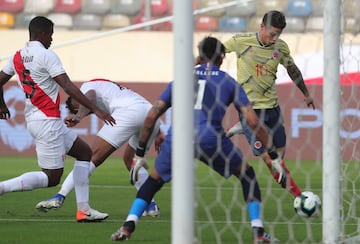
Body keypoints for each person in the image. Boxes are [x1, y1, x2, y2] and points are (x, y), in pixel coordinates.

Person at [110, 36, 284, 243]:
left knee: (154, 180)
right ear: (221, 58)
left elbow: (151, 116)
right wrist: (273, 156)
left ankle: (127, 227)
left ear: (199, 57)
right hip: (211, 139)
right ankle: (258, 232)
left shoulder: (181, 79)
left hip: (179, 138)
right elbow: (253, 122)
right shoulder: (228, 82)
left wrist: (139, 155)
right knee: (247, 175)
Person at [0, 16, 116, 222]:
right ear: (42, 33)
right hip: (47, 120)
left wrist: (2, 104)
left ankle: (84, 210)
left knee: (84, 153)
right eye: (51, 34)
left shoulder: (16, 56)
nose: (52, 39)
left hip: (37, 119)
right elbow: (68, 86)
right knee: (52, 178)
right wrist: (96, 110)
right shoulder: (47, 55)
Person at [35, 78, 162, 217]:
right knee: (130, 159)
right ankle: (150, 205)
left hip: (129, 112)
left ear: (75, 98)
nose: (83, 110)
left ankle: (61, 195)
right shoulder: (109, 89)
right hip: (150, 114)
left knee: (89, 157)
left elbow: (90, 96)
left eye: (76, 107)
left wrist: (78, 116)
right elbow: (141, 108)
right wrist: (159, 132)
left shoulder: (85, 88)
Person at [224, 10, 315, 198]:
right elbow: (217, 52)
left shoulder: (280, 48)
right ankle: (299, 197)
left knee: (280, 155)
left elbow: (293, 70)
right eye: (272, 33)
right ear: (261, 27)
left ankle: (242, 127)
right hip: (249, 110)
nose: (275, 38)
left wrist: (306, 94)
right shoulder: (240, 41)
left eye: (278, 34)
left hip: (272, 108)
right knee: (269, 159)